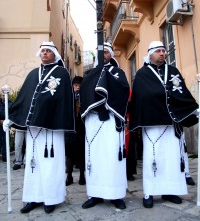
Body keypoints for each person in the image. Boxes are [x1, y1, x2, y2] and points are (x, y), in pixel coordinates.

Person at [3, 41, 75, 214]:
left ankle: (51, 198)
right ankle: (33, 198)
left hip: (52, 127)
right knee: (33, 165)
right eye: (42, 51)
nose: (44, 53)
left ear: (54, 55)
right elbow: (23, 99)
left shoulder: (62, 73)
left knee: (51, 164)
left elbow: (63, 100)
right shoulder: (33, 74)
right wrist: (10, 118)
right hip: (34, 129)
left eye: (48, 51)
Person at [129, 41, 199, 209]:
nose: (162, 53)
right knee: (153, 159)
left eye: (163, 51)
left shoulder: (173, 71)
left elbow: (181, 92)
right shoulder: (142, 74)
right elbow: (141, 98)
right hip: (152, 123)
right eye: (158, 51)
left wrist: (192, 109)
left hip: (172, 122)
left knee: (172, 158)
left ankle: (170, 191)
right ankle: (149, 193)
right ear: (150, 54)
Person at [80, 42, 130, 210]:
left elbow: (123, 91)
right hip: (94, 120)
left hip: (111, 119)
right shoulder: (89, 74)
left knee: (112, 158)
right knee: (94, 158)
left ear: (111, 55)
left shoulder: (118, 72)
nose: (103, 55)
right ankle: (94, 194)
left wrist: (105, 81)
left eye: (106, 52)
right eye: (101, 53)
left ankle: (116, 195)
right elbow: (85, 96)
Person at [65, 75, 86, 186]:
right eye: (76, 85)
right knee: (70, 154)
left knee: (82, 153)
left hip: (81, 129)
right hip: (71, 129)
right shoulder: (69, 97)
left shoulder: (85, 97)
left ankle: (82, 176)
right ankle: (69, 176)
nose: (77, 87)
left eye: (79, 85)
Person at [0, 94, 13, 162]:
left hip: (7, 124)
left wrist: (6, 122)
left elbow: (12, 115)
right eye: (2, 95)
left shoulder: (11, 104)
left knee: (6, 140)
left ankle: (5, 157)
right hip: (0, 124)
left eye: (5, 95)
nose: (4, 96)